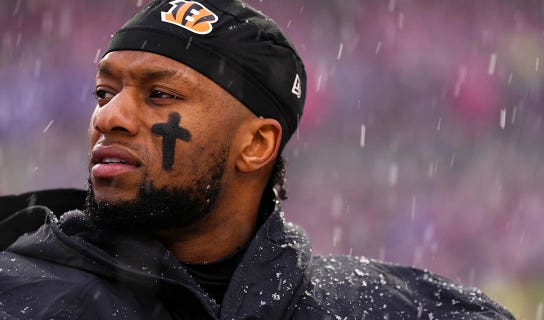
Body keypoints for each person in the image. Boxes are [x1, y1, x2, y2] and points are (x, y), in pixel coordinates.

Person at [0, 0, 514, 319]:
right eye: (103, 92)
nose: (109, 116)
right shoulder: (16, 290)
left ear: (257, 145)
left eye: (159, 95)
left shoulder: (405, 309)